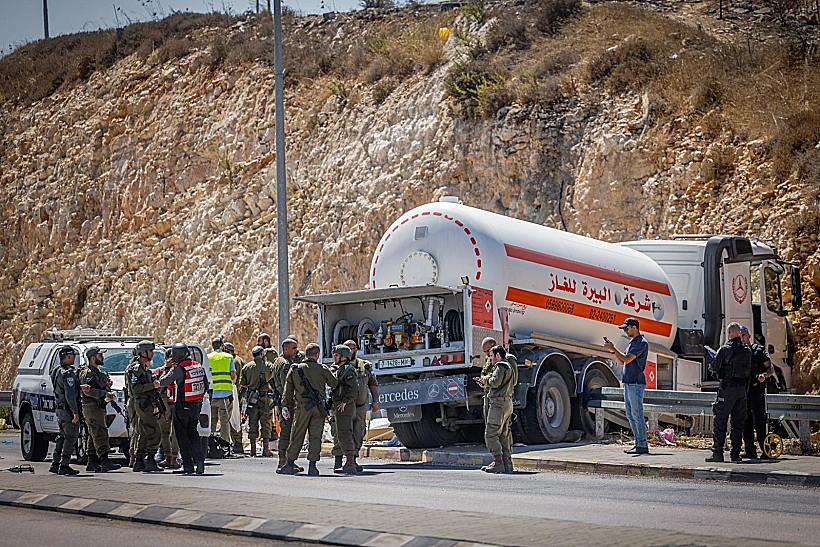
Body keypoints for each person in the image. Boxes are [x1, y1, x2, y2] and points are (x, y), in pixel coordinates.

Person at [278, 343, 338, 475]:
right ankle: (312, 466)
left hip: (302, 407)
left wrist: (285, 407)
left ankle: (289, 463)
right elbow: (334, 383)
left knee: (297, 435)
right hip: (319, 408)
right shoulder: (322, 369)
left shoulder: (295, 369)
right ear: (317, 355)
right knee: (316, 436)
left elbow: (288, 392)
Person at [706, 322, 753, 463]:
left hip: (727, 389)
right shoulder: (747, 350)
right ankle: (735, 454)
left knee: (720, 421)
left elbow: (713, 367)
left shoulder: (725, 349)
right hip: (742, 390)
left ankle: (718, 453)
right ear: (739, 333)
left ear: (729, 333)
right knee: (737, 423)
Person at [159, 343, 209, 474]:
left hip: (182, 405)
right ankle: (199, 462)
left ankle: (187, 465)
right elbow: (205, 385)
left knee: (182, 436)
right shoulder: (197, 365)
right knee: (193, 433)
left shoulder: (179, 368)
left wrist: (167, 368)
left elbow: (163, 381)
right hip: (196, 405)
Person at [604, 317, 650, 455]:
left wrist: (613, 348)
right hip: (629, 382)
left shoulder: (641, 343)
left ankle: (642, 444)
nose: (625, 330)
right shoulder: (633, 343)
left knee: (637, 414)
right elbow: (623, 362)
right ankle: (638, 443)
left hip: (635, 383)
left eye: (627, 328)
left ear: (634, 327)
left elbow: (626, 359)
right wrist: (613, 351)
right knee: (631, 415)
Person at [478, 337, 518, 472]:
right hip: (494, 398)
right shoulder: (491, 361)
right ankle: (506, 463)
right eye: (485, 353)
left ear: (495, 348)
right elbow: (486, 374)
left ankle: (500, 462)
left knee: (492, 433)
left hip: (500, 400)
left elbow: (508, 381)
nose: (488, 356)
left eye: (489, 352)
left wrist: (487, 381)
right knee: (502, 433)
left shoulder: (506, 361)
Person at [79, 346, 121, 472]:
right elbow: (87, 391)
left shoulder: (98, 372)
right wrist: (104, 394)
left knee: (93, 433)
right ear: (93, 358)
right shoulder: (88, 373)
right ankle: (104, 460)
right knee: (100, 431)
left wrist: (107, 386)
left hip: (98, 406)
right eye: (99, 355)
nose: (102, 357)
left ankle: (92, 461)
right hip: (91, 406)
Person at [124, 340, 164, 472]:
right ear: (143, 352)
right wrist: (153, 385)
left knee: (143, 432)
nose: (152, 353)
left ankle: (140, 460)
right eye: (150, 351)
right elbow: (136, 389)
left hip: (144, 403)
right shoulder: (136, 368)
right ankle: (150, 459)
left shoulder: (143, 368)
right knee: (155, 431)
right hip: (141, 404)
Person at [343, 339, 379, 473]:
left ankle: (353, 459)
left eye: (351, 348)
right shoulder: (340, 366)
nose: (348, 351)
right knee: (344, 432)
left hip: (360, 406)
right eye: (346, 349)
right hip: (345, 407)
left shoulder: (366, 366)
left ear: (356, 349)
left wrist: (375, 401)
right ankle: (345, 460)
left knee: (359, 432)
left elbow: (373, 384)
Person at [740, 326, 775, 459]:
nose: (742, 338)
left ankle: (765, 449)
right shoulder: (738, 353)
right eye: (740, 336)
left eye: (744, 335)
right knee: (745, 420)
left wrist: (764, 376)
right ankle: (750, 450)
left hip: (756, 390)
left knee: (760, 420)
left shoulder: (758, 351)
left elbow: (771, 369)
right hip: (743, 390)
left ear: (749, 336)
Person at [49, 346, 81, 476]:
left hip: (60, 408)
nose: (74, 358)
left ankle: (55, 463)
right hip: (67, 410)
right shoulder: (68, 373)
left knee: (62, 436)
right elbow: (70, 394)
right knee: (71, 437)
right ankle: (64, 465)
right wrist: (75, 412)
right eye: (72, 355)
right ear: (68, 357)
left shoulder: (56, 370)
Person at [238, 346, 276, 457]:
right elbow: (273, 381)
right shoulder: (269, 366)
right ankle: (266, 449)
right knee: (266, 423)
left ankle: (253, 450)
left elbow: (243, 384)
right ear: (261, 354)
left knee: (252, 423)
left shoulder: (247, 367)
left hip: (252, 400)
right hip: (265, 399)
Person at [330, 345, 360, 474]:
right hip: (340, 405)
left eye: (337, 355)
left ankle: (350, 463)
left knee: (344, 433)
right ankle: (349, 462)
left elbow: (353, 388)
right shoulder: (340, 369)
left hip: (345, 407)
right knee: (342, 433)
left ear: (344, 357)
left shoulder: (348, 370)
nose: (334, 357)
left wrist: (345, 401)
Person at [272, 339, 300, 469]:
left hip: (282, 401)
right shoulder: (285, 365)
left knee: (287, 431)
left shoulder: (279, 361)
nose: (296, 350)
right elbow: (286, 386)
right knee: (286, 432)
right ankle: (283, 461)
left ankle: (287, 460)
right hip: (286, 402)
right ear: (285, 349)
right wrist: (286, 405)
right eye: (293, 348)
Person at [207, 338, 238, 449]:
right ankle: (225, 444)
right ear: (221, 346)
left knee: (212, 419)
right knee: (224, 419)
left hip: (212, 394)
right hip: (225, 394)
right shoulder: (228, 357)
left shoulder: (208, 357)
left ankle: (210, 443)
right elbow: (233, 376)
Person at [154, 348, 181, 469]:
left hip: (176, 402)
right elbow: (157, 385)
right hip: (164, 403)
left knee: (176, 431)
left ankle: (174, 457)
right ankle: (168, 456)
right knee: (164, 432)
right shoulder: (160, 371)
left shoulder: (179, 370)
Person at [223, 342, 246, 455]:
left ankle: (236, 443)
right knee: (237, 418)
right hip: (239, 392)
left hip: (233, 392)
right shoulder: (240, 360)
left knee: (232, 417)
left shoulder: (232, 361)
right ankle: (238, 442)